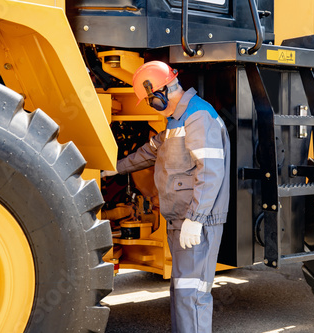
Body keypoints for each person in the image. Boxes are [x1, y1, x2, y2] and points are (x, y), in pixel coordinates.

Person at [103, 60, 230, 332]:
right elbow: (149, 152)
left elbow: (210, 172)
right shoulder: (176, 121)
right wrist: (111, 169)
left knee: (191, 294)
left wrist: (196, 219)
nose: (150, 105)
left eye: (149, 100)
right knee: (181, 291)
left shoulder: (198, 116)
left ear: (159, 94)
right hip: (179, 220)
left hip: (197, 222)